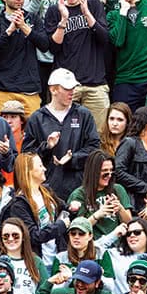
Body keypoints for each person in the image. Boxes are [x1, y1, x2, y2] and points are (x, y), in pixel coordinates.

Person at [22, 69, 100, 199]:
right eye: (67, 88)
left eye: (73, 88)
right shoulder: (37, 118)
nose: (72, 92)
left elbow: (94, 148)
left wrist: (73, 158)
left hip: (79, 188)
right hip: (46, 188)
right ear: (53, 90)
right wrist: (46, 147)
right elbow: (26, 156)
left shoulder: (83, 114)